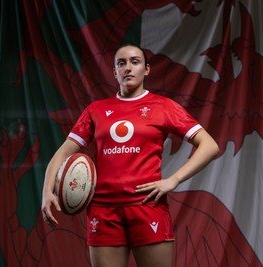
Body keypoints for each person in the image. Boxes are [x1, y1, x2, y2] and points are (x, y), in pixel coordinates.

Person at [41, 44, 220, 267]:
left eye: (135, 62)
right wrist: (47, 191)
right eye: (121, 63)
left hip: (147, 205)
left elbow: (209, 145)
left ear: (146, 70)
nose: (128, 68)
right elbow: (63, 152)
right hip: (103, 210)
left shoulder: (163, 107)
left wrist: (173, 180)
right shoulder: (96, 109)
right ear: (114, 71)